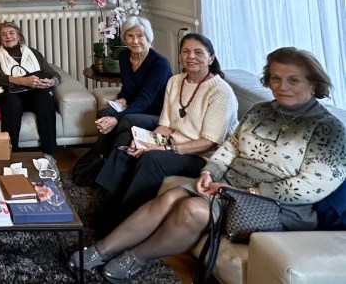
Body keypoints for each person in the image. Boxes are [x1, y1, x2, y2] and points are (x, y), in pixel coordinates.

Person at [69, 47, 346, 283]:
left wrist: (247, 192)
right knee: (172, 196)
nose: (282, 86)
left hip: (279, 206)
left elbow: (309, 187)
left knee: (193, 209)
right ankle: (101, 249)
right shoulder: (262, 111)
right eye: (275, 78)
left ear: (314, 84)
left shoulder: (329, 129)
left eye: (293, 80)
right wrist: (209, 172)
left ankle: (135, 258)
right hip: (228, 186)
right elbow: (231, 147)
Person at [90, 33, 238, 235]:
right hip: (173, 144)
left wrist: (163, 148)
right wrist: (143, 142)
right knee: (127, 142)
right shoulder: (176, 81)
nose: (191, 56)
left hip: (201, 157)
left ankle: (122, 224)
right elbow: (165, 125)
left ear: (211, 59)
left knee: (152, 159)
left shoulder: (220, 91)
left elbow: (209, 143)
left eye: (198, 52)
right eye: (185, 51)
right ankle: (104, 208)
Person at [91, 17, 173, 159]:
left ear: (148, 37)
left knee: (125, 120)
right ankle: (106, 157)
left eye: (140, 36)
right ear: (124, 38)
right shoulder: (124, 56)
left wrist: (116, 118)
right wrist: (122, 97)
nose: (135, 41)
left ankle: (100, 156)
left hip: (157, 114)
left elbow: (146, 99)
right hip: (135, 108)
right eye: (130, 36)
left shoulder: (160, 64)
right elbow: (127, 86)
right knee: (104, 113)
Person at [0, 21, 61, 155]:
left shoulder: (33, 53)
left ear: (19, 36)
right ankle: (11, 153)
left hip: (32, 92)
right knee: (12, 103)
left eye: (11, 33)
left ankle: (49, 153)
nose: (8, 37)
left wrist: (51, 82)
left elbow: (54, 74)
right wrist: (22, 81)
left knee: (45, 98)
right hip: (8, 92)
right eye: (4, 34)